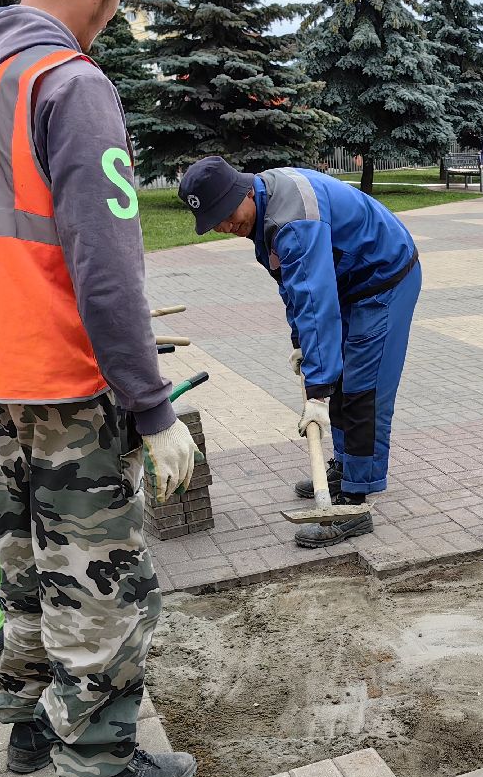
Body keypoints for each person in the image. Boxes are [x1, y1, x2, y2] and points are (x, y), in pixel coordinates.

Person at [0, 0, 199, 777]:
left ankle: (24, 718)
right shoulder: (71, 84)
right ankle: (97, 768)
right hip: (69, 381)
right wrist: (155, 408)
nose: (119, 2)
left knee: (22, 559)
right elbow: (109, 268)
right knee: (99, 580)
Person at [178, 157, 420, 547]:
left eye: (224, 214)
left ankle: (354, 505)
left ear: (241, 191)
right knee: (339, 376)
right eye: (213, 223)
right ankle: (345, 468)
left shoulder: (292, 221)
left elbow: (316, 300)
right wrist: (300, 346)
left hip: (384, 278)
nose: (224, 227)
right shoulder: (262, 216)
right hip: (348, 280)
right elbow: (295, 289)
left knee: (362, 387)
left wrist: (317, 390)